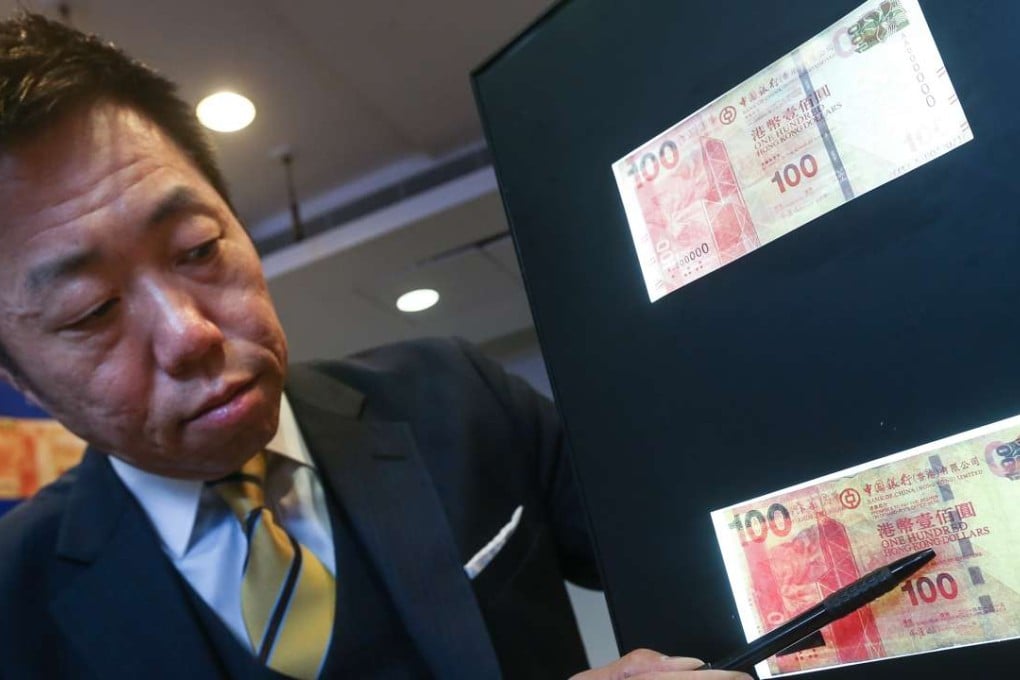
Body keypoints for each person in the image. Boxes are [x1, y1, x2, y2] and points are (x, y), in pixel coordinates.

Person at [0, 12, 750, 680]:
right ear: (19, 378)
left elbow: (708, 562)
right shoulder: (15, 604)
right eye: (91, 310)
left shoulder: (453, 397)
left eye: (197, 248)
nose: (189, 333)